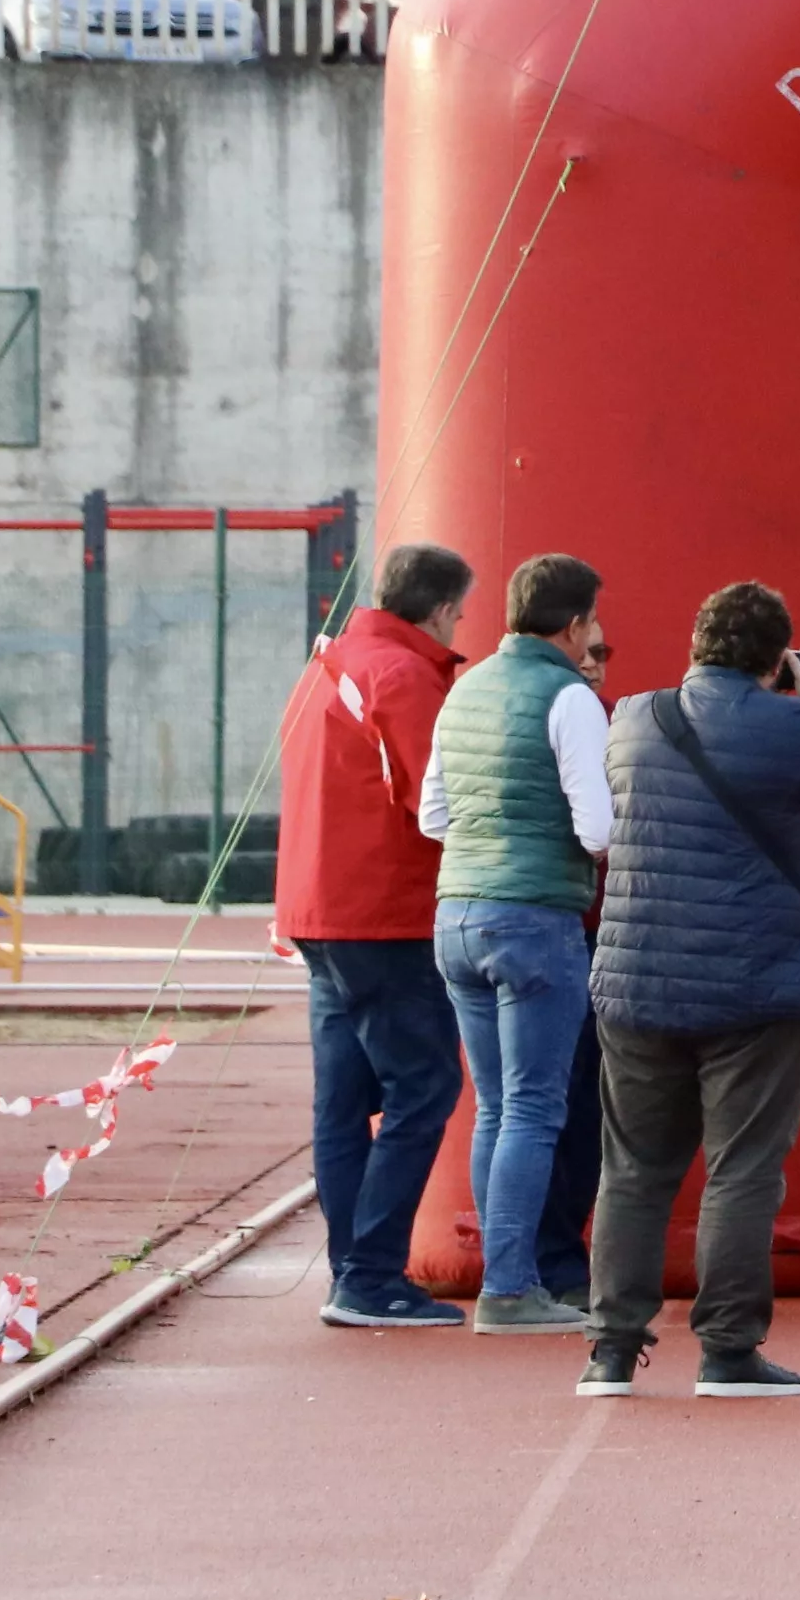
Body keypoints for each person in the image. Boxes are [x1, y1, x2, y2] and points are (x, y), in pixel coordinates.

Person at [582, 582, 800, 1399]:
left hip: (636, 976)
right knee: (743, 1169)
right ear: (777, 658)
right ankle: (726, 1351)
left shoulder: (635, 719)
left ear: (695, 644)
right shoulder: (793, 723)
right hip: (756, 983)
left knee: (635, 1169)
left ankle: (610, 1350)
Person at [280, 542, 476, 1329]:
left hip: (319, 909)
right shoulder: (401, 676)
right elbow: (437, 798)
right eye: (458, 613)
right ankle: (368, 1272)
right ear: (436, 609)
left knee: (343, 1100)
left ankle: (353, 1271)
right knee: (425, 1086)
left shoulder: (333, 664)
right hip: (383, 913)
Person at [421, 552, 616, 1337]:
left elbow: (434, 817)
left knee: (497, 1109)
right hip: (535, 917)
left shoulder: (464, 689)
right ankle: (510, 1287)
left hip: (456, 912)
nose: (596, 637)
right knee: (538, 1109)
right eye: (594, 624)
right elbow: (597, 828)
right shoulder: (570, 697)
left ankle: (507, 1278)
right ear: (573, 626)